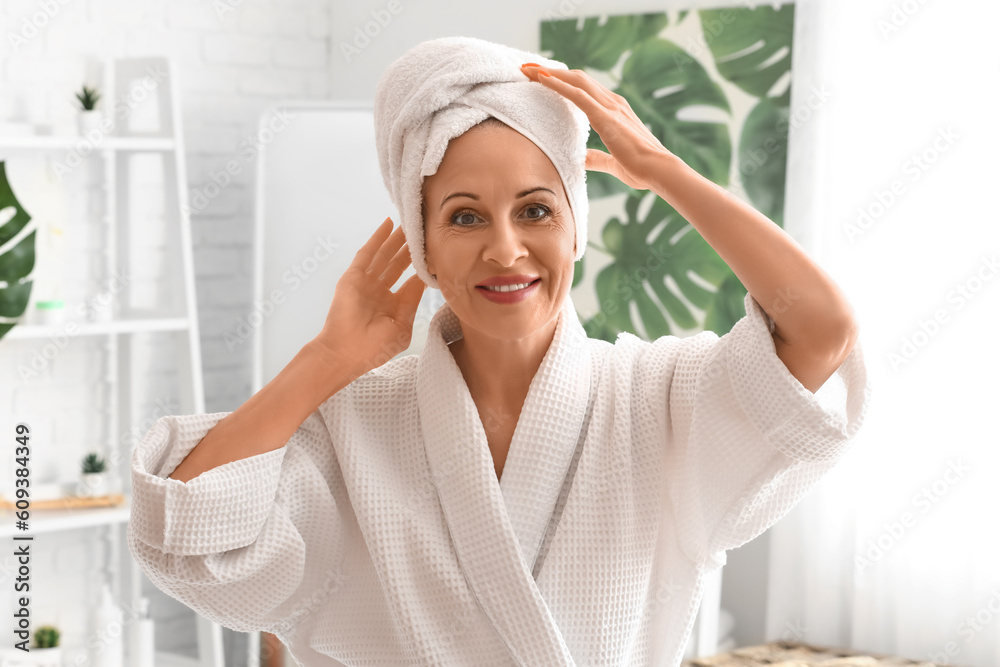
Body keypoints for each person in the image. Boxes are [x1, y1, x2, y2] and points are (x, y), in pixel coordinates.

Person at [127, 37, 870, 666]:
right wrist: (327, 357)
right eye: (465, 216)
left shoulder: (659, 398)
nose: (506, 249)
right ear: (424, 248)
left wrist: (664, 172)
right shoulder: (350, 424)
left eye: (537, 209)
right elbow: (192, 532)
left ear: (575, 227)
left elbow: (821, 331)